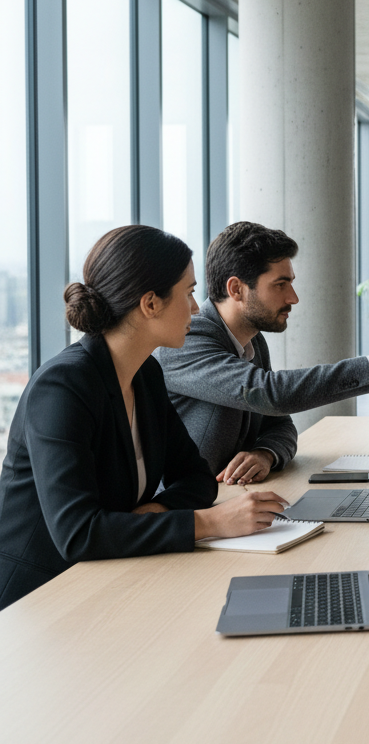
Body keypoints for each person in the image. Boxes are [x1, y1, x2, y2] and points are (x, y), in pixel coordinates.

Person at [0, 226, 290, 611]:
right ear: (150, 303)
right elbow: (79, 534)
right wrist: (212, 523)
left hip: (109, 576)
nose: (194, 308)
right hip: (39, 598)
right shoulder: (63, 386)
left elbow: (197, 478)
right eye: (188, 294)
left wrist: (151, 512)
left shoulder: (146, 375)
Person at [156, 222, 369, 484]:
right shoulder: (189, 340)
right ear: (237, 289)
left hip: (228, 499)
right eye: (280, 284)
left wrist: (265, 454)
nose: (294, 297)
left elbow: (281, 425)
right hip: (180, 510)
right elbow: (271, 394)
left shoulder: (251, 341)